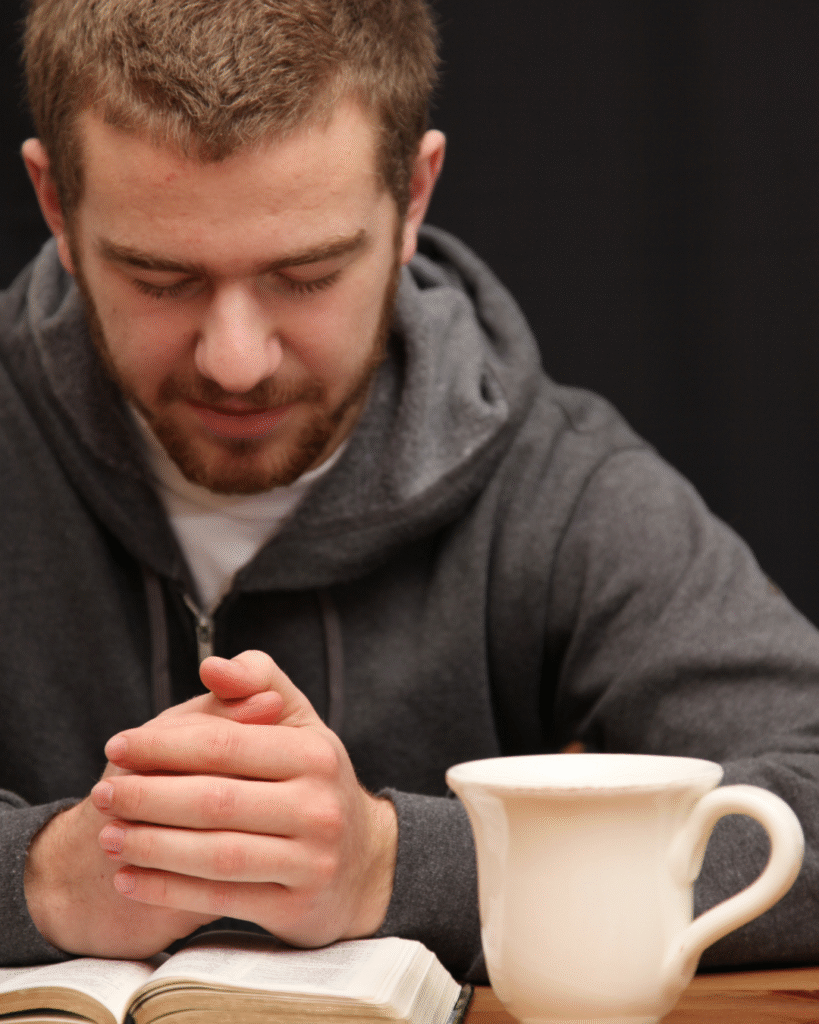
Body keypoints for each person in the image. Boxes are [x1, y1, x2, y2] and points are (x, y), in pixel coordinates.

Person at [2, 0, 819, 978]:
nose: (234, 361)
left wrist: (389, 864)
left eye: (306, 274)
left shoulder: (557, 487)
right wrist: (47, 876)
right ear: (55, 204)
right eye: (157, 277)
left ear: (414, 195)